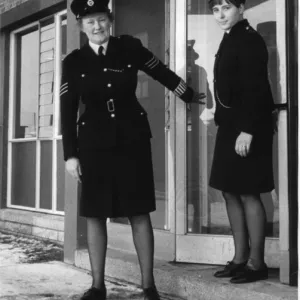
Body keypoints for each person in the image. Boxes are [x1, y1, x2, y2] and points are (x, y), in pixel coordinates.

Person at [60, 0, 206, 299]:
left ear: (109, 20)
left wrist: (188, 94)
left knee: (139, 212)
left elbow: (161, 72)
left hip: (132, 141)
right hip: (94, 145)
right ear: (81, 26)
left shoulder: (129, 47)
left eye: (101, 19)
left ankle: (148, 285)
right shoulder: (73, 62)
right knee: (95, 213)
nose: (97, 26)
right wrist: (70, 154)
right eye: (90, 22)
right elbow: (67, 108)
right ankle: (97, 285)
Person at [208, 0, 275, 284]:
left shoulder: (249, 40)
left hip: (249, 127)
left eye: (226, 7)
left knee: (248, 192)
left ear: (241, 8)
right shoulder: (231, 38)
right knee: (229, 191)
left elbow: (257, 87)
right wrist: (216, 111)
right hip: (231, 127)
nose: (221, 15)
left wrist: (247, 130)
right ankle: (239, 258)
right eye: (215, 9)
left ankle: (256, 263)